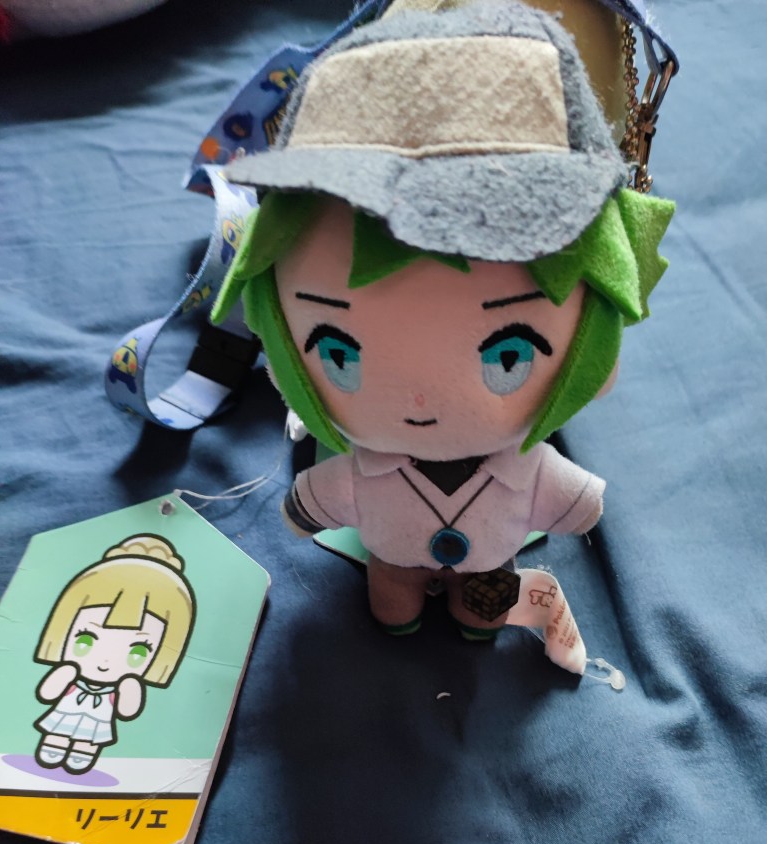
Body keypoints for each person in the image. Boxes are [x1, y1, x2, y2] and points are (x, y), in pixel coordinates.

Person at [212, 1, 674, 645]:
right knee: (392, 596)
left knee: (480, 603)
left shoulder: (514, 468)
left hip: (485, 563)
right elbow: (319, 499)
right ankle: (398, 608)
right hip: (396, 558)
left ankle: (466, 615)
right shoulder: (380, 469)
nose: (421, 402)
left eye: (509, 355)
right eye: (339, 352)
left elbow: (576, 500)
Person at [33, 534, 195, 774]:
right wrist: (63, 673)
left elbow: (127, 711)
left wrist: (130, 688)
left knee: (89, 741)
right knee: (57, 733)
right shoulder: (71, 675)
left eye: (138, 652)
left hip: (98, 721)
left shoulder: (121, 686)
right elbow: (47, 693)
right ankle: (54, 744)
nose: (105, 662)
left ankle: (83, 751)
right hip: (65, 713)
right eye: (85, 641)